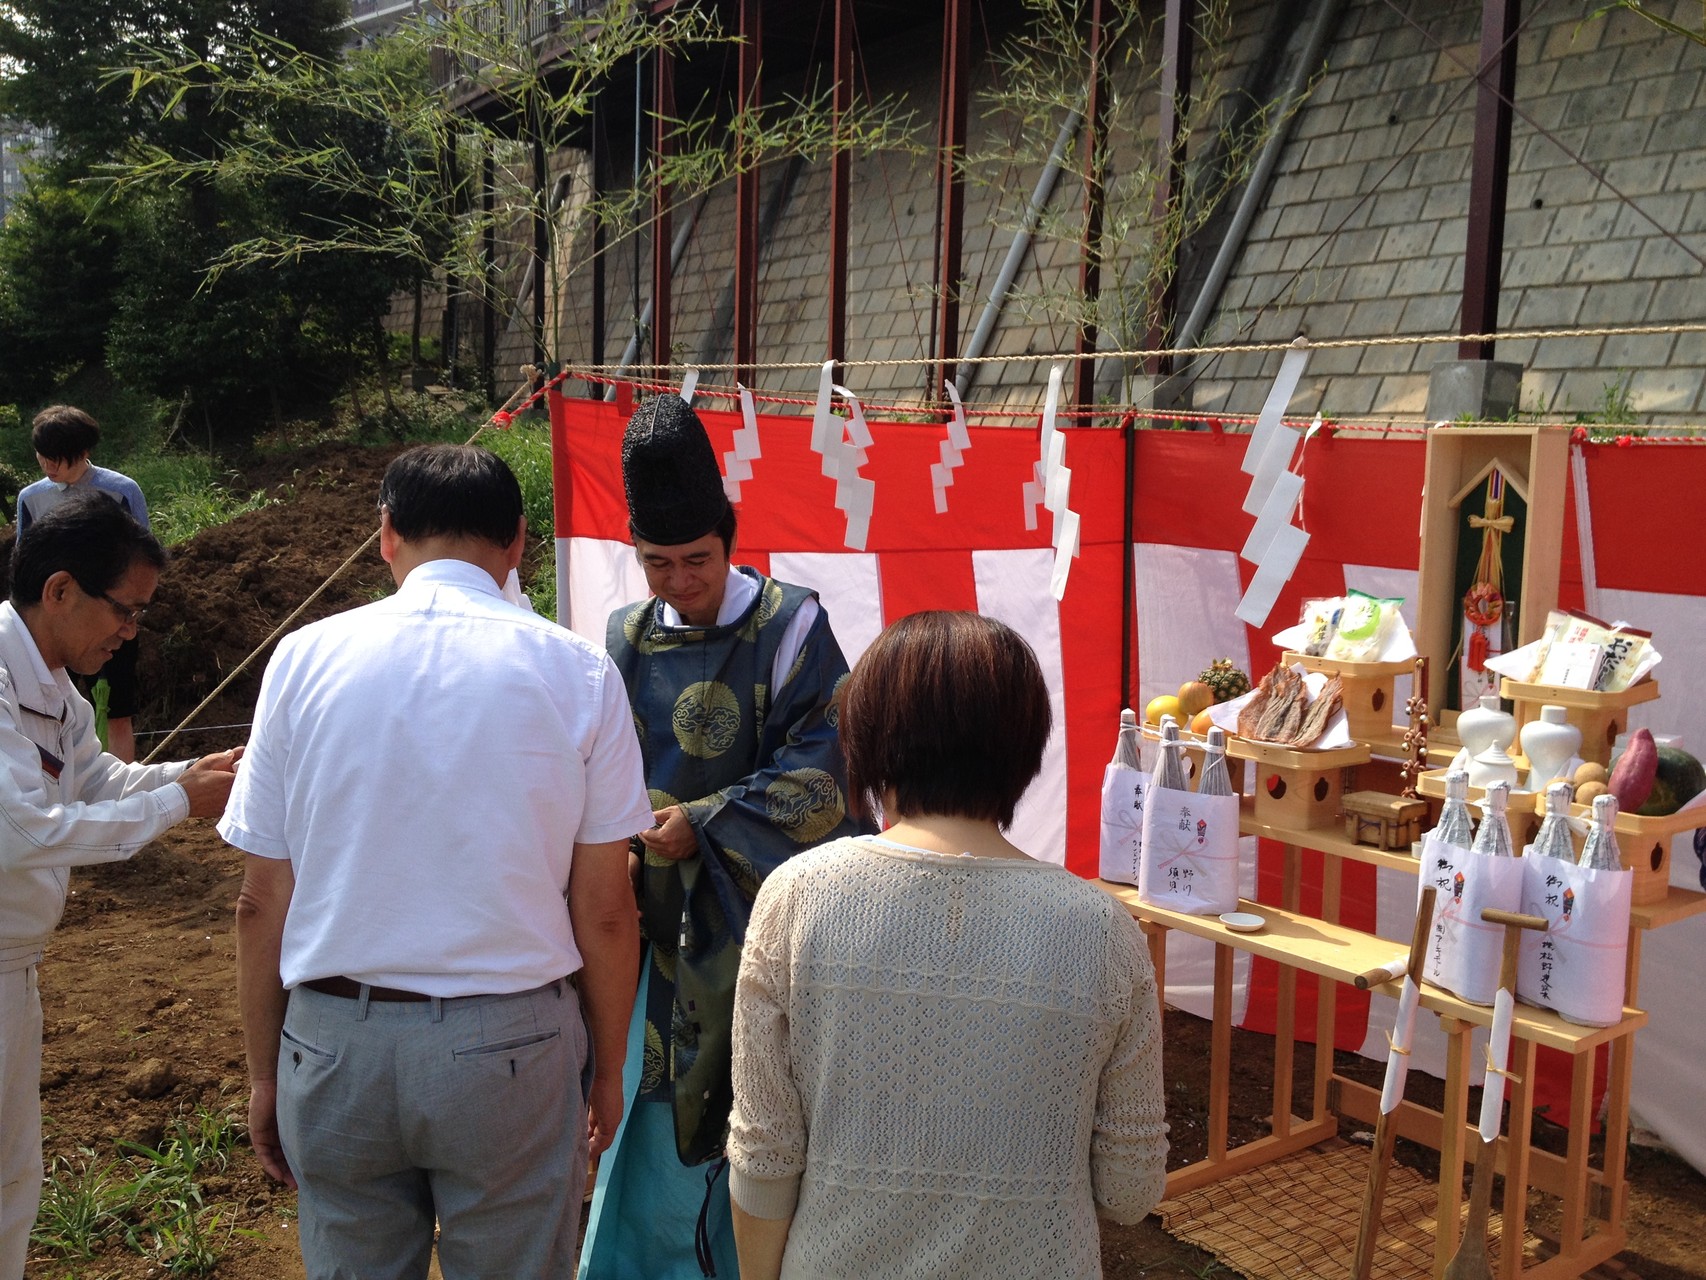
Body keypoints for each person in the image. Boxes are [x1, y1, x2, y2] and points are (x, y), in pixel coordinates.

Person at [219, 444, 653, 1280]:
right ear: (520, 543)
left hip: (337, 1041)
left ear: (385, 534)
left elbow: (259, 900)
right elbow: (605, 909)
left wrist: (267, 1071)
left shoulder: (302, 660)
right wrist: (604, 1071)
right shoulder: (580, 672)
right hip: (514, 1051)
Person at [726, 611, 1170, 1280]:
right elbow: (1130, 1190)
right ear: (1024, 749)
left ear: (869, 742)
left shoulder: (796, 899)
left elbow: (763, 1159)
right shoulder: (1102, 930)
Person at [580, 394, 865, 1280]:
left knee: (762, 1118)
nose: (679, 582)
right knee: (646, 1119)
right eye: (656, 563)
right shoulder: (620, 640)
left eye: (696, 559)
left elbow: (832, 767)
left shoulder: (790, 624)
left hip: (759, 926)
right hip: (649, 928)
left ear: (729, 539)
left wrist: (703, 823)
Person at [0, 492, 241, 1280]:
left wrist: (192, 775)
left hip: (17, 965)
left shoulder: (54, 686)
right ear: (61, 590)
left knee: (13, 1181)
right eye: (126, 611)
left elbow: (97, 780)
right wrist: (182, 802)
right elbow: (28, 828)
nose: (130, 632)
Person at [16, 406, 155, 763]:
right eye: (43, 458)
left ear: (85, 452)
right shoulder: (31, 498)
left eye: (59, 460)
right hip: (55, 624)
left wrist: (129, 615)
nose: (50, 468)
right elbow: (25, 563)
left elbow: (143, 558)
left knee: (117, 712)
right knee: (54, 710)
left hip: (109, 617)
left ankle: (120, 793)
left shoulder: (121, 491)